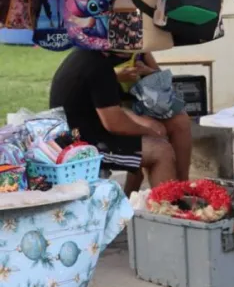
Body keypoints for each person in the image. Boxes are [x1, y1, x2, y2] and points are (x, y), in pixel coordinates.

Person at [49, 49, 193, 191]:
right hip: (82, 145)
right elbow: (115, 123)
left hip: (85, 129)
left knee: (170, 128)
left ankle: (179, 192)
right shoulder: (98, 66)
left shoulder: (88, 56)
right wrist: (149, 131)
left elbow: (113, 114)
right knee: (161, 151)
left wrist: (147, 128)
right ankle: (166, 208)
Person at [115, 52, 193, 194]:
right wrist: (116, 76)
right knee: (154, 130)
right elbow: (91, 84)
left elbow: (160, 77)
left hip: (141, 103)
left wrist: (147, 71)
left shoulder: (140, 48)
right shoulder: (98, 48)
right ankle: (135, 187)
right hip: (113, 107)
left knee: (181, 121)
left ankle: (183, 188)